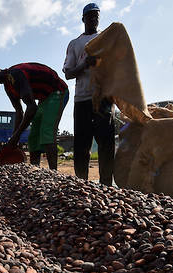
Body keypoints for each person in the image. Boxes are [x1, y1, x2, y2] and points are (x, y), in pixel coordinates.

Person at [0, 60, 69, 170]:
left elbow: (32, 108)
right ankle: (36, 172)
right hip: (43, 99)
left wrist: (16, 137)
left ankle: (54, 173)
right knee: (33, 137)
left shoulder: (15, 74)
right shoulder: (8, 86)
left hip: (57, 92)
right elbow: (19, 112)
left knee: (46, 132)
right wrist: (14, 139)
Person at [62, 2, 115, 186]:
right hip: (83, 99)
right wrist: (85, 64)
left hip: (104, 98)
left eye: (96, 16)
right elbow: (68, 73)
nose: (93, 19)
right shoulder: (75, 44)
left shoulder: (106, 39)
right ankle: (81, 184)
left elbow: (117, 66)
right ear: (83, 19)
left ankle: (106, 185)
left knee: (106, 144)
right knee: (81, 146)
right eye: (90, 16)